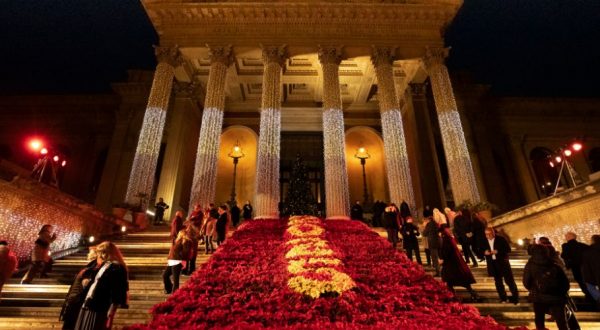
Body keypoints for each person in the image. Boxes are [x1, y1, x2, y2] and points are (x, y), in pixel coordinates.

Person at [74, 241, 128, 330]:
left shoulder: (117, 268)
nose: (101, 256)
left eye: (103, 252)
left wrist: (112, 308)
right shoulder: (105, 265)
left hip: (100, 306)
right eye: (99, 253)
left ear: (110, 253)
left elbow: (118, 289)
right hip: (90, 302)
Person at [523, 244, 576, 330]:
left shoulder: (530, 265)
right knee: (562, 322)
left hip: (539, 297)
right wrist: (560, 292)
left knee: (539, 319)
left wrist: (534, 290)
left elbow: (526, 282)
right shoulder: (554, 264)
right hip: (557, 297)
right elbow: (565, 282)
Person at [438, 224, 480, 301]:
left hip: (451, 264)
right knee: (453, 281)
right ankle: (466, 294)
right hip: (455, 263)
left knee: (449, 280)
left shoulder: (446, 239)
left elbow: (446, 250)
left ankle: (456, 296)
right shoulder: (449, 238)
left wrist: (442, 258)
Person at [60, 249, 99, 330]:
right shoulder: (90, 267)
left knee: (69, 324)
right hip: (75, 299)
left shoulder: (89, 267)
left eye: (90, 251)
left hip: (74, 298)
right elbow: (85, 282)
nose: (88, 252)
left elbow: (84, 282)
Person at [482, 227, 519, 305]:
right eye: (486, 234)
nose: (488, 236)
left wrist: (498, 251)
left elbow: (508, 249)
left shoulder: (501, 239)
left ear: (493, 233)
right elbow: (480, 250)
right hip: (493, 264)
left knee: (509, 281)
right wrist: (484, 252)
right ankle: (503, 298)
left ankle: (516, 298)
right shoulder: (484, 241)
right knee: (498, 282)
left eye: (489, 234)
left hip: (503, 263)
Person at [561, 232, 593, 304]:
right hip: (585, 267)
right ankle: (592, 296)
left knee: (581, 282)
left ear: (569, 237)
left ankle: (589, 297)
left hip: (575, 267)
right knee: (587, 282)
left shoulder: (565, 246)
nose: (565, 238)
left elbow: (564, 255)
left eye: (566, 236)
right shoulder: (583, 245)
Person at [163, 230, 192, 294]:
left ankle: (175, 293)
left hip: (178, 261)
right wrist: (169, 259)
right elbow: (171, 251)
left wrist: (184, 262)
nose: (178, 234)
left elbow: (186, 253)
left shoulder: (186, 241)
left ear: (182, 234)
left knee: (175, 279)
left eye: (180, 233)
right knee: (165, 275)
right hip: (172, 261)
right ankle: (169, 289)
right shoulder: (176, 240)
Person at [581, 234, 600, 308]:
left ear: (592, 241)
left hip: (593, 279)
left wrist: (587, 280)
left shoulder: (588, 252)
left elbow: (586, 268)